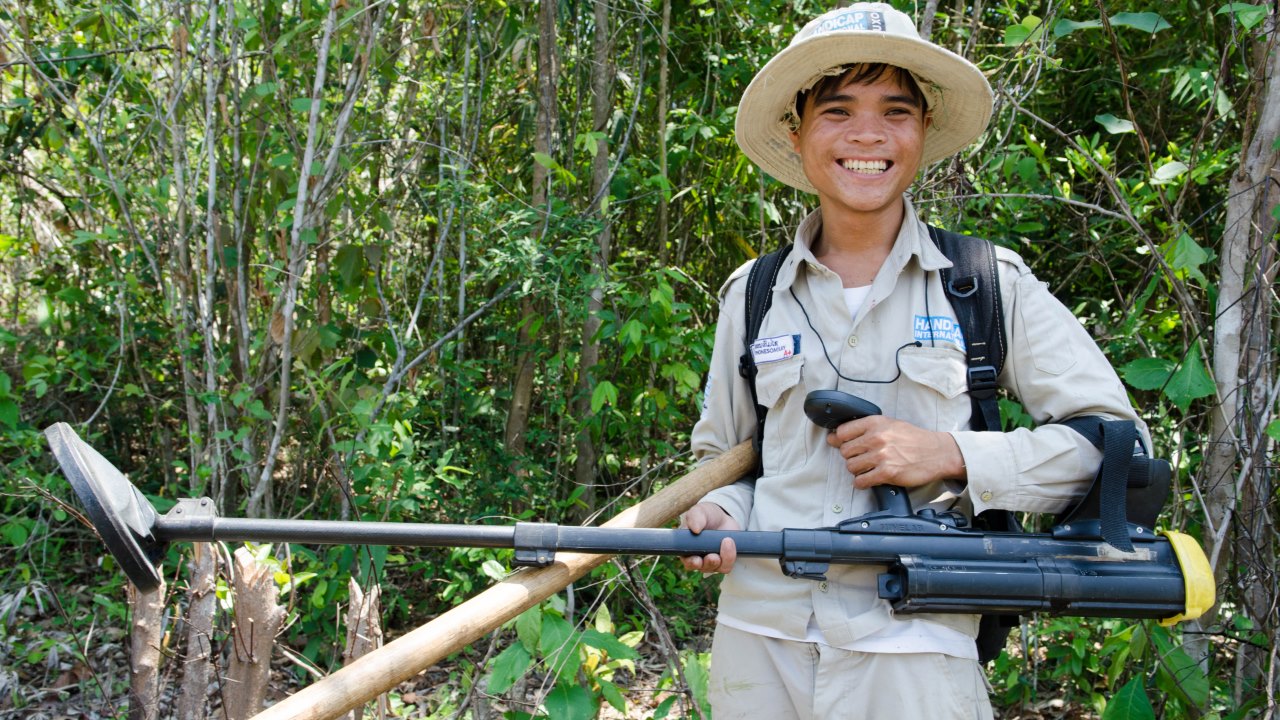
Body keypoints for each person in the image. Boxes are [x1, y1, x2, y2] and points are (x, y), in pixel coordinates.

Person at [680, 4, 1150, 719]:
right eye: (837, 110)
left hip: (917, 649)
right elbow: (731, 464)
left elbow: (1120, 448)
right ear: (796, 131)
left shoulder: (987, 285)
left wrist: (951, 453)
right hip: (758, 642)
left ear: (924, 132)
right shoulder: (755, 294)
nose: (867, 134)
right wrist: (717, 512)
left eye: (895, 110)